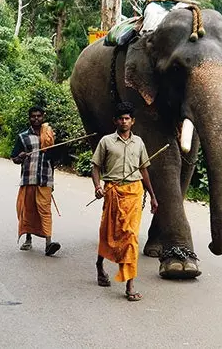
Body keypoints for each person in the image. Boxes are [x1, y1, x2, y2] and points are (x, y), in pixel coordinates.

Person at [92, 102, 158, 301]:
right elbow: (95, 166)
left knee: (130, 237)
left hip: (134, 192)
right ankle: (99, 264)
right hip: (112, 190)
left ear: (133, 121)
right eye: (121, 118)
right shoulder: (106, 142)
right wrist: (97, 186)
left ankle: (130, 284)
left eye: (127, 118)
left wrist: (153, 196)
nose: (124, 121)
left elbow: (144, 169)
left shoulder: (139, 143)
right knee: (108, 233)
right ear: (115, 121)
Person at [11, 106, 61, 256]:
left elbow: (54, 160)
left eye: (39, 116)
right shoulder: (23, 137)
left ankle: (48, 243)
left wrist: (52, 181)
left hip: (45, 179)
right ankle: (28, 239)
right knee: (28, 209)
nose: (36, 119)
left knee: (45, 210)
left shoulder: (50, 136)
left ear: (43, 117)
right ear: (29, 118)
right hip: (28, 178)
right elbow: (14, 158)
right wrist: (20, 157)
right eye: (33, 116)